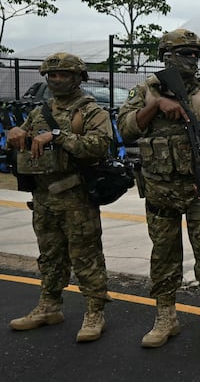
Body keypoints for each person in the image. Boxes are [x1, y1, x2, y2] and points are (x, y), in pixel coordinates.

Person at [118, 29, 200, 347]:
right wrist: (155, 107)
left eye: (196, 54)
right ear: (165, 56)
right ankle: (165, 316)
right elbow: (125, 130)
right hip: (159, 189)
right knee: (164, 255)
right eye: (185, 53)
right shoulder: (145, 91)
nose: (192, 60)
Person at [7, 53, 113, 342]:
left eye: (62, 75)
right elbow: (24, 138)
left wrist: (57, 135)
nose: (55, 80)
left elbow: (100, 146)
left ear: (78, 77)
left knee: (86, 257)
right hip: (43, 197)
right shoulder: (39, 112)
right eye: (51, 76)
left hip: (76, 198)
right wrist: (15, 132)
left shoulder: (91, 111)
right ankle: (49, 305)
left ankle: (95, 312)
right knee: (50, 256)